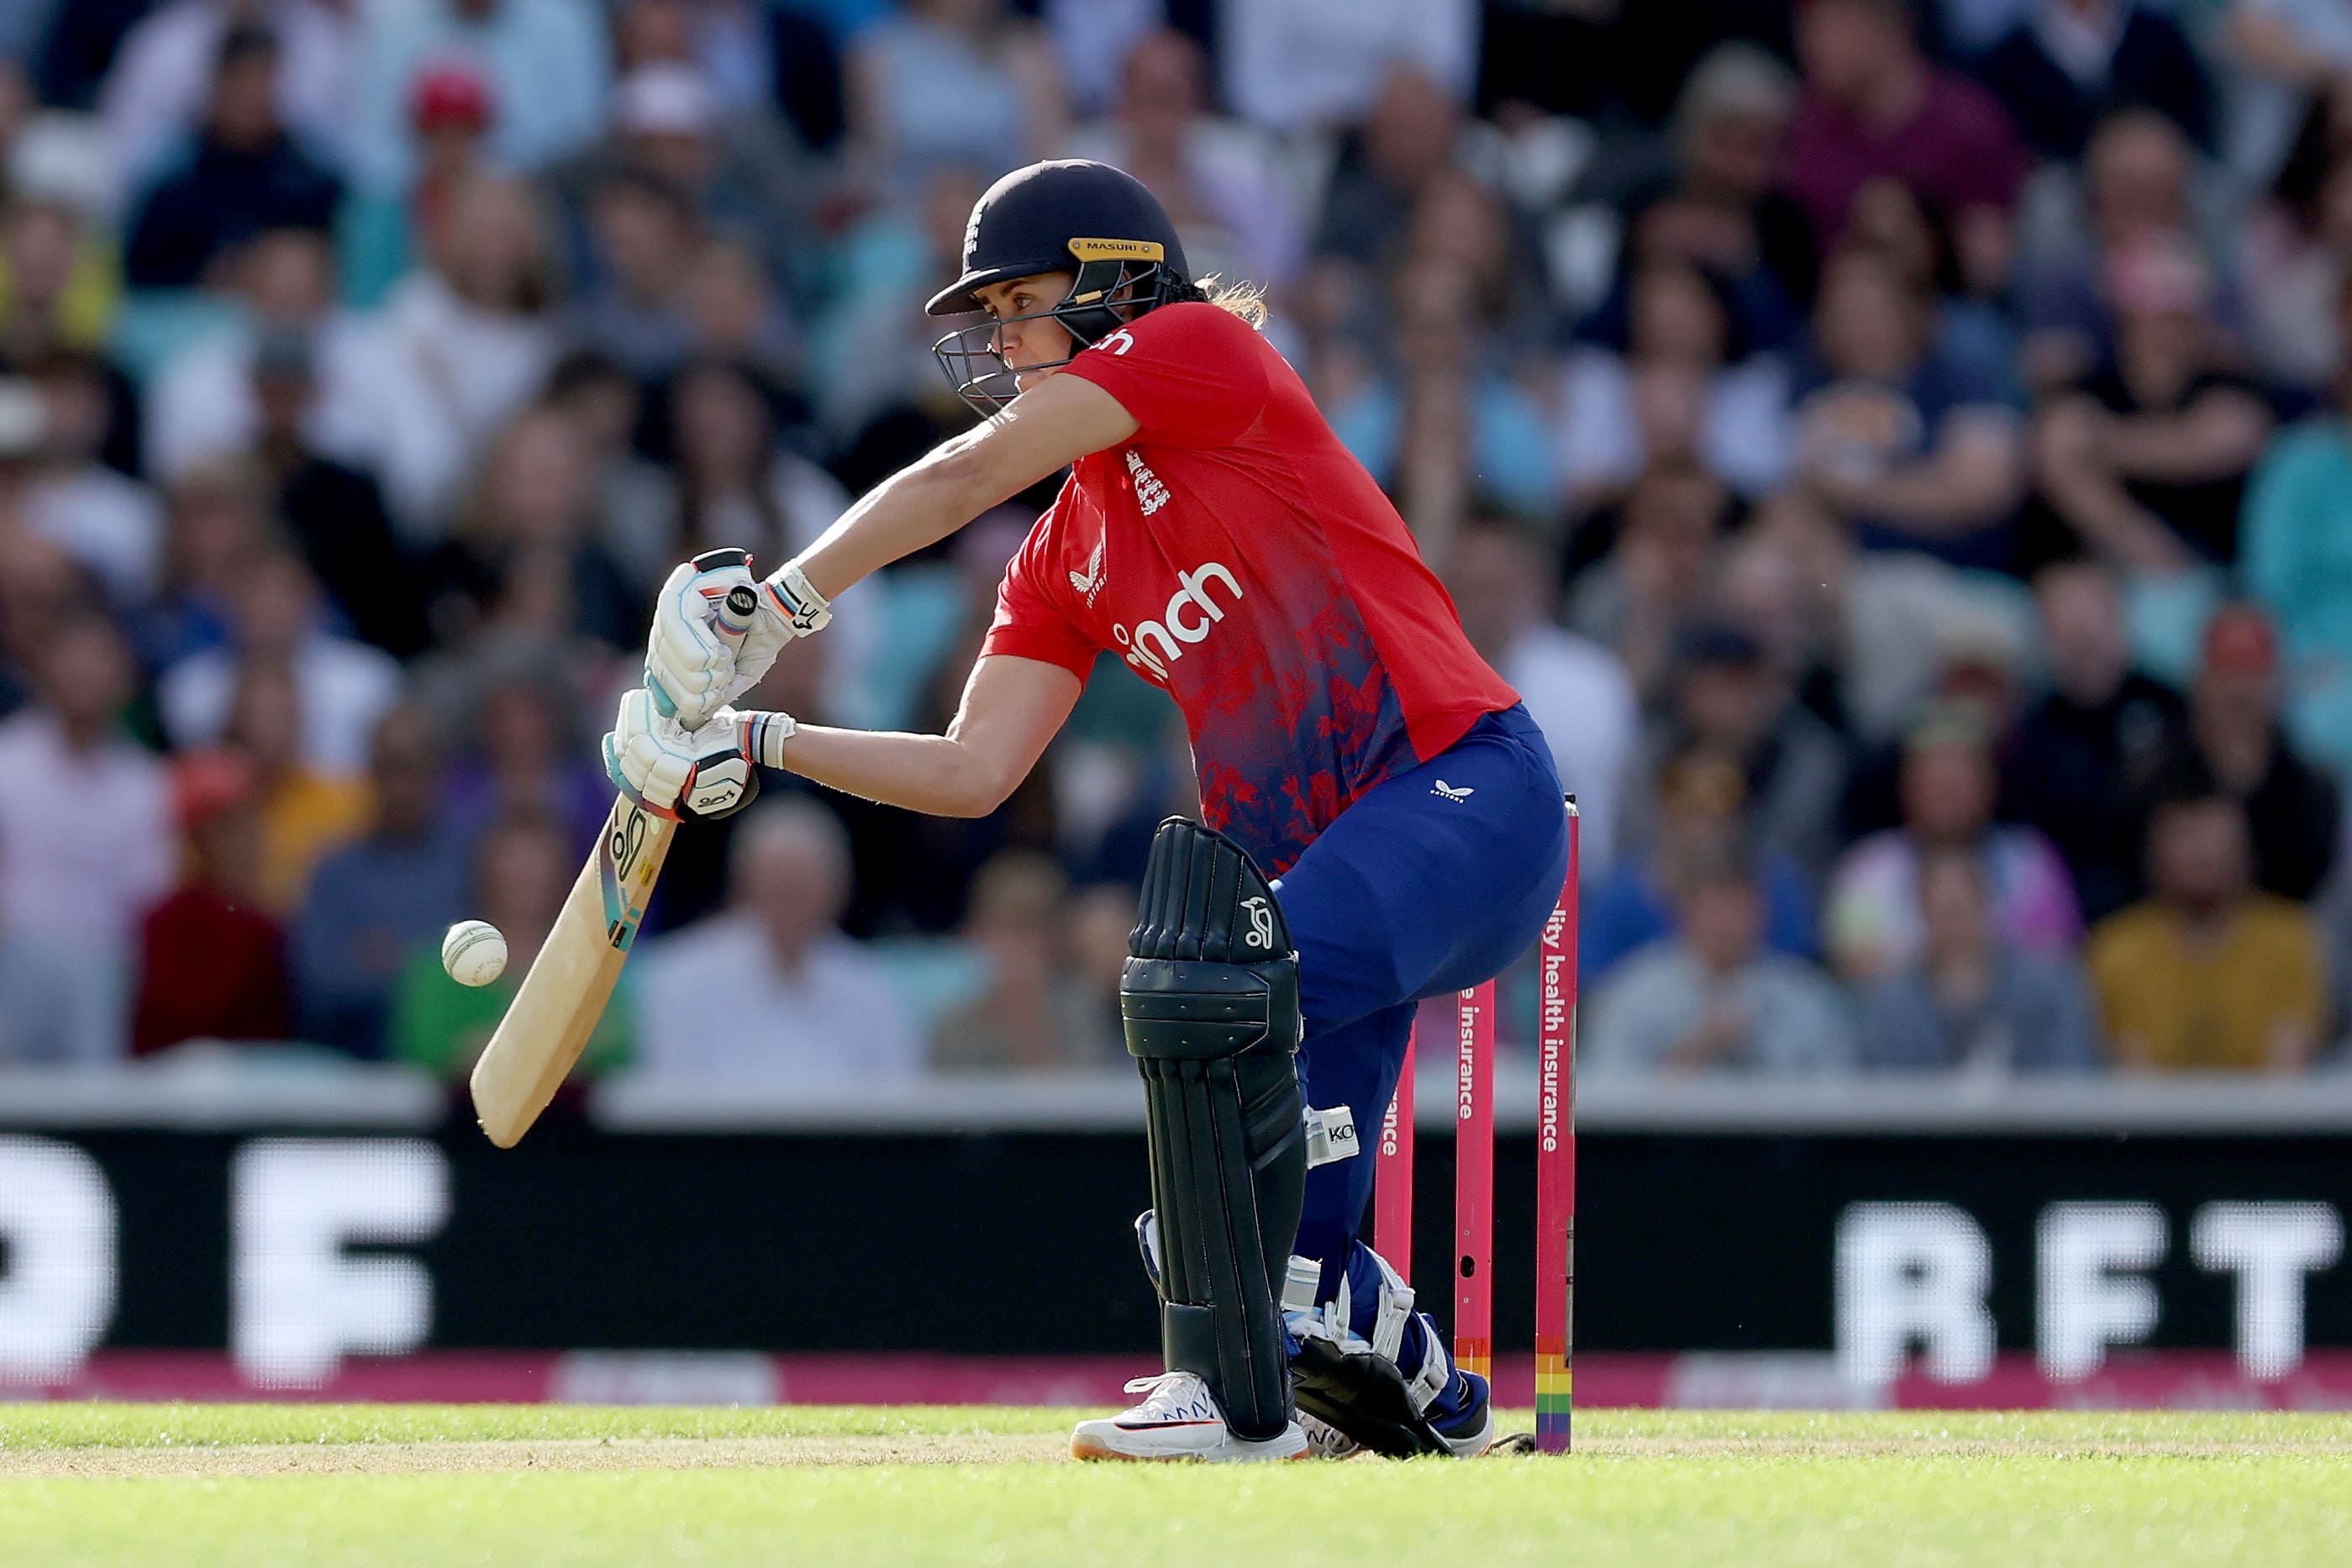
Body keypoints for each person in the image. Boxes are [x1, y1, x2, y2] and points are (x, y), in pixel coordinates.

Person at [604, 161, 1567, 1462]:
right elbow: (971, 769)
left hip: (1467, 793)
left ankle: (1222, 1396)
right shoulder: (1064, 553)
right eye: (983, 313)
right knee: (1284, 1214)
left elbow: (957, 477)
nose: (997, 340)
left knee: (1207, 988)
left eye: (1019, 302)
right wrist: (762, 738)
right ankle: (1414, 1393)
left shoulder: (1198, 353)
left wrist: (769, 608)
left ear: (1115, 280)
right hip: (1337, 882)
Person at [2087, 791, 2328, 1071]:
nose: (2201, 854)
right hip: (2152, 1114)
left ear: (2247, 852)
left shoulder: (2292, 941)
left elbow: (2288, 1069)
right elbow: (2129, 1077)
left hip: (2264, 1114)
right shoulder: (2115, 950)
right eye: (2185, 836)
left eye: (2215, 838)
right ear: (2153, 853)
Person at [1585, 848, 1854, 1076]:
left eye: (1738, 906)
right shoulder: (1631, 996)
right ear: (1683, 910)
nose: (1727, 923)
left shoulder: (1807, 1000)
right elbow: (1608, 1090)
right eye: (1715, 906)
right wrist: (1693, 1052)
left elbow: (1838, 1096)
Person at [1855, 845, 2102, 1071]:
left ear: (1988, 906)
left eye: (1961, 909)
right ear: (1922, 913)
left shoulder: (2047, 990)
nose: (1953, 925)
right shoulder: (1892, 1004)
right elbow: (1881, 1092)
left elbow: (2072, 1077)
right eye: (1941, 911)